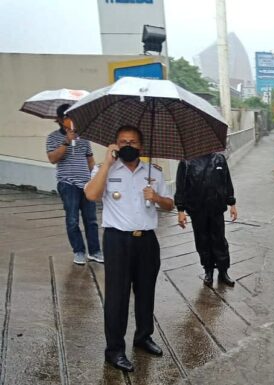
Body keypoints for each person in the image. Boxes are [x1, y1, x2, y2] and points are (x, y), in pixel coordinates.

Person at [84, 125, 174, 372]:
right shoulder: (104, 169)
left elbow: (169, 205)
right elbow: (91, 195)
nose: (128, 146)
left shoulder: (153, 171)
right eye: (123, 141)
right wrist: (106, 162)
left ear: (141, 147)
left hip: (146, 240)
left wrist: (156, 197)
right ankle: (114, 350)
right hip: (117, 241)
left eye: (133, 142)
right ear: (115, 144)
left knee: (146, 292)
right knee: (117, 297)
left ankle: (143, 337)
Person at [46, 104, 103, 265]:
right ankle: (78, 251)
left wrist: (96, 178)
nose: (71, 120)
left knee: (91, 219)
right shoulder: (53, 137)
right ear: (59, 120)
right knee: (72, 219)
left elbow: (90, 160)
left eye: (73, 116)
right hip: (67, 184)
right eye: (67, 117)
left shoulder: (84, 138)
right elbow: (52, 159)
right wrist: (66, 142)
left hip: (86, 184)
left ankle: (95, 251)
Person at [175, 152, 238, 287]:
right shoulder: (186, 162)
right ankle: (208, 270)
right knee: (202, 241)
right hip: (197, 209)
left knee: (219, 240)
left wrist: (232, 203)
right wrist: (180, 209)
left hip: (216, 208)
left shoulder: (219, 159)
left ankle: (223, 271)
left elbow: (227, 181)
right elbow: (180, 186)